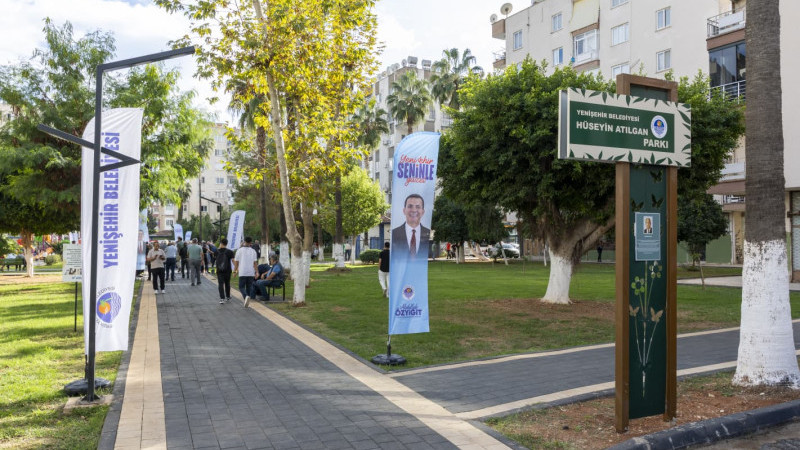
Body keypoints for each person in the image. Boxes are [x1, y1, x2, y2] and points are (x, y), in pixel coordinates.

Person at [391, 193, 431, 260]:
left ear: (423, 212)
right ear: (404, 210)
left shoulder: (428, 232)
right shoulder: (394, 233)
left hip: (421, 269)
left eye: (418, 207)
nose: (414, 210)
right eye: (410, 206)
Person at [234, 236, 259, 308]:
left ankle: (246, 297)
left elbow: (236, 262)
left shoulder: (239, 250)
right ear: (251, 242)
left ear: (244, 241)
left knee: (241, 287)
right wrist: (257, 272)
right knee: (249, 287)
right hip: (251, 272)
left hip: (242, 272)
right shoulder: (253, 251)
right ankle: (247, 298)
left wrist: (234, 271)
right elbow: (255, 263)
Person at [215, 238, 235, 304]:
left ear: (221, 243)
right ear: (227, 244)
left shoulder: (216, 251)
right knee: (227, 283)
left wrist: (219, 247)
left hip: (219, 270)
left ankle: (222, 298)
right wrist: (237, 268)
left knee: (220, 284)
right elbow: (233, 260)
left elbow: (215, 259)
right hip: (228, 270)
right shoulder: (230, 252)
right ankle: (228, 296)